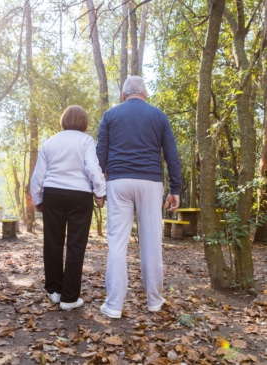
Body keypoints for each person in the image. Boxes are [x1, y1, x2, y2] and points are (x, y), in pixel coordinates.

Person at [96, 76, 181, 319]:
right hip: (150, 182)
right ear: (145, 94)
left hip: (118, 182)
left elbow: (100, 153)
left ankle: (113, 305)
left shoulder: (110, 115)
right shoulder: (159, 116)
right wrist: (176, 189)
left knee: (117, 243)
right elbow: (172, 155)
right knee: (152, 242)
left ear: (123, 96)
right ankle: (154, 300)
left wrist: (98, 188)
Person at [30, 105, 106, 311]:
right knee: (76, 245)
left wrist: (37, 199)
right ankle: (69, 298)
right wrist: (100, 193)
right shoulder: (86, 141)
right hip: (80, 196)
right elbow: (93, 167)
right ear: (84, 123)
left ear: (64, 120)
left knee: (52, 242)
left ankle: (54, 291)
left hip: (53, 194)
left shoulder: (50, 142)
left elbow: (38, 175)